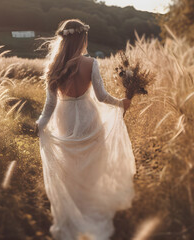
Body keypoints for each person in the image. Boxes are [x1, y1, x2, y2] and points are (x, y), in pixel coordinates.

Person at [35, 19, 136, 240]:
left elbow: (49, 106)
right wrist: (121, 103)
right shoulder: (91, 63)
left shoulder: (54, 67)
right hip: (89, 116)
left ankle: (75, 210)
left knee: (70, 165)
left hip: (66, 118)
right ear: (82, 38)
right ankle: (90, 208)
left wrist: (40, 124)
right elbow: (101, 96)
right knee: (92, 163)